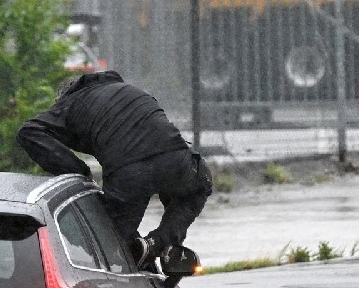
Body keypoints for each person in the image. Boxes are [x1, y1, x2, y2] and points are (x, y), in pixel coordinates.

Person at [15, 70, 212, 268]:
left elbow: (29, 132)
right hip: (175, 158)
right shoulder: (132, 91)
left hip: (128, 173)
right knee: (197, 188)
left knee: (111, 241)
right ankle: (156, 244)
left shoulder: (72, 103)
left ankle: (132, 258)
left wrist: (78, 172)